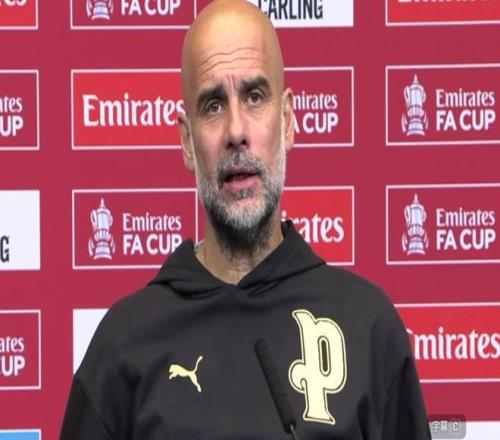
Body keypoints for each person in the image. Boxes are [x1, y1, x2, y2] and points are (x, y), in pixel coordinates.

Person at [60, 1, 431, 438]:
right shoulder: (123, 346)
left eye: (254, 97)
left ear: (287, 121)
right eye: (213, 105)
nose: (236, 131)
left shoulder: (368, 327)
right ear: (186, 141)